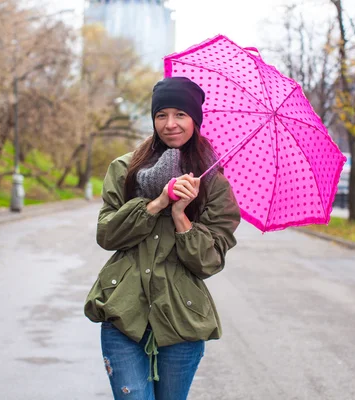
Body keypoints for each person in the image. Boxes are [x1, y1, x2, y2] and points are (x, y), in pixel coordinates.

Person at [84, 76, 241, 400]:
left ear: (195, 119)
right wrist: (156, 204)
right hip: (123, 309)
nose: (170, 124)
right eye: (161, 115)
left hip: (182, 315)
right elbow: (107, 234)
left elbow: (209, 262)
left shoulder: (213, 181)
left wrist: (182, 215)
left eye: (180, 114)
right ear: (153, 119)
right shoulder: (125, 168)